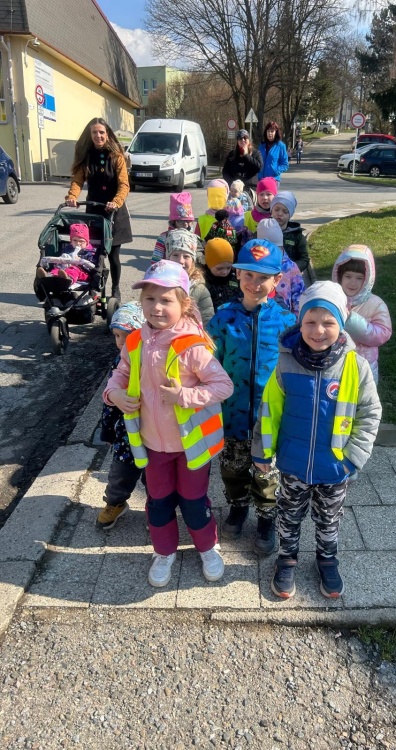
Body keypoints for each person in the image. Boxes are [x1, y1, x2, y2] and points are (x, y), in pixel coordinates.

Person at [103, 260, 234, 587]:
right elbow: (119, 375)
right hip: (152, 445)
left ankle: (207, 547)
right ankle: (164, 552)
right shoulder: (135, 341)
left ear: (184, 304)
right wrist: (114, 394)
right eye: (150, 299)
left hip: (190, 446)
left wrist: (184, 396)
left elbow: (223, 386)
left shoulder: (192, 345)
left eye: (166, 300)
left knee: (194, 501)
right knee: (158, 502)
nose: (157, 307)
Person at [252, 281, 381, 599]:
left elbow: (369, 414)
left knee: (329, 519)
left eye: (328, 322)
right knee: (289, 515)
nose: (318, 330)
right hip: (293, 464)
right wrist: (263, 451)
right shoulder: (285, 364)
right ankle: (286, 560)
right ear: (300, 322)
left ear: (342, 323)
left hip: (335, 467)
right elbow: (269, 411)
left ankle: (327, 559)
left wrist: (352, 459)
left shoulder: (355, 366)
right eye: (310, 321)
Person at [207, 240, 296, 556]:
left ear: (277, 280)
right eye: (249, 275)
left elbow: (295, 369)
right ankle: (238, 506)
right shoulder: (222, 318)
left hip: (268, 418)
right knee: (232, 468)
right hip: (231, 414)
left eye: (263, 277)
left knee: (267, 473)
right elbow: (208, 362)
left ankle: (266, 518)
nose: (255, 284)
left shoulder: (286, 323)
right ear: (237, 275)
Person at [65, 117, 132, 301]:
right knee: (92, 253)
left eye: (101, 132)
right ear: (90, 135)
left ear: (107, 134)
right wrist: (72, 196)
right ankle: (93, 288)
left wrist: (116, 201)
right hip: (94, 212)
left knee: (113, 256)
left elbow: (124, 184)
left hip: (114, 212)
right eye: (94, 132)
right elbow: (77, 181)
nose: (98, 135)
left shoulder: (117, 156)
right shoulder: (86, 156)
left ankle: (115, 289)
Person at [97, 302, 146, 530]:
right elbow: (110, 403)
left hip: (156, 434)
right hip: (126, 435)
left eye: (128, 336)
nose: (121, 342)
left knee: (155, 479)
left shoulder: (156, 360)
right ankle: (115, 503)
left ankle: (157, 510)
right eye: (117, 335)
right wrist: (107, 429)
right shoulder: (120, 362)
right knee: (120, 473)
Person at [332, 244, 392, 384]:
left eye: (359, 278)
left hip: (363, 367)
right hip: (334, 364)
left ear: (367, 279)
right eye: (348, 276)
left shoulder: (376, 304)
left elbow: (383, 334)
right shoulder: (331, 299)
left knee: (363, 396)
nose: (353, 282)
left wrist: (351, 320)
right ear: (339, 276)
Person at [165, 229, 214, 327]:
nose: (180, 260)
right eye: (175, 255)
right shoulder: (158, 283)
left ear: (193, 261)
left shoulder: (199, 289)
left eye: (186, 256)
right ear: (168, 258)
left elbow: (207, 320)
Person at [256, 218, 304, 315]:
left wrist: (296, 319)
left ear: (281, 247)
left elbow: (299, 296)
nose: (272, 254)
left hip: (285, 317)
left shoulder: (291, 267)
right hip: (260, 315)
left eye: (275, 249)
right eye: (267, 250)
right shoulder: (255, 267)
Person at [270, 191, 309, 272]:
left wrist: (292, 269)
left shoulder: (297, 235)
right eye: (276, 209)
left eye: (285, 211)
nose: (280, 213)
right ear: (271, 211)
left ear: (290, 215)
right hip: (267, 274)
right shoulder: (263, 230)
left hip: (289, 275)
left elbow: (304, 259)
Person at [151, 192, 196, 264]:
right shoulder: (164, 237)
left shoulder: (193, 237)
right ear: (173, 222)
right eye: (180, 221)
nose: (185, 224)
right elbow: (155, 261)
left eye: (188, 221)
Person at [202, 237, 240, 312]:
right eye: (219, 268)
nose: (225, 272)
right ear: (209, 265)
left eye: (228, 268)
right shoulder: (204, 282)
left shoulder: (235, 278)